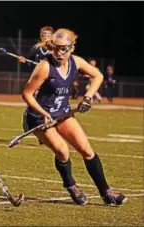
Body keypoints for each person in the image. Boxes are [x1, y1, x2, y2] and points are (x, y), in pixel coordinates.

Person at [22, 28, 126, 206]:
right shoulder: (44, 67)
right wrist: (44, 113)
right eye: (55, 48)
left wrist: (88, 97)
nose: (59, 53)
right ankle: (71, 186)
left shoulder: (76, 62)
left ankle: (106, 192)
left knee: (86, 150)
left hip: (62, 113)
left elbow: (98, 76)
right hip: (40, 117)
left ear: (72, 48)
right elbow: (27, 94)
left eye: (63, 49)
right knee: (62, 151)